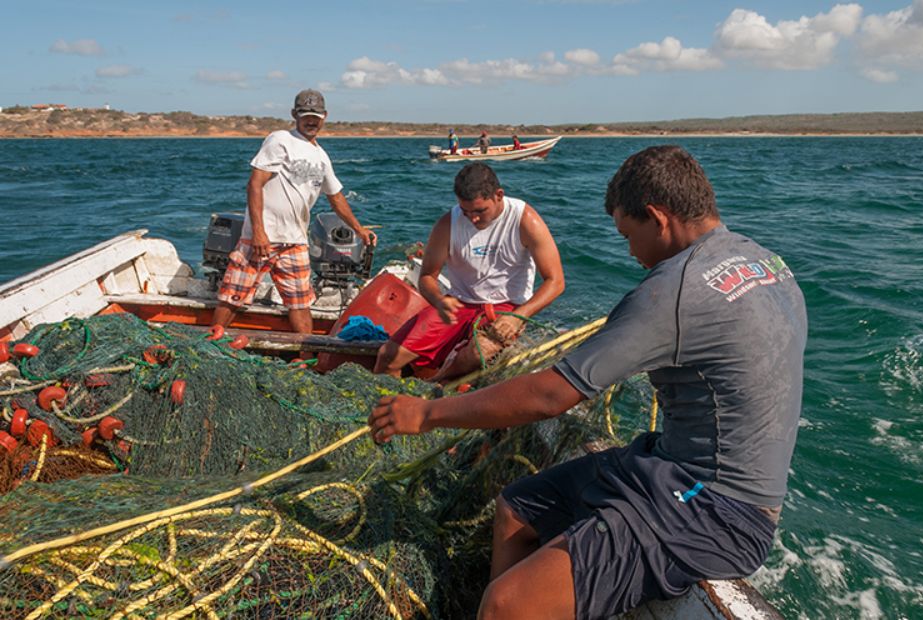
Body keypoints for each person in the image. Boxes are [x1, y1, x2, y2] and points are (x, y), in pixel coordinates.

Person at [369, 145, 807, 619]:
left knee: (504, 605)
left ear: (658, 218)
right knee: (515, 509)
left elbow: (550, 394)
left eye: (627, 234)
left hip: (716, 510)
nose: (630, 251)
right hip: (667, 465)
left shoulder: (672, 291)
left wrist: (426, 413)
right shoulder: (765, 262)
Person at [373, 162, 564, 380]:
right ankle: (384, 408)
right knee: (388, 356)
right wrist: (437, 300)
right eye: (465, 212)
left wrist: (519, 317)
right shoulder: (447, 225)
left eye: (480, 211)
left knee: (477, 352)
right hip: (459, 304)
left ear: (499, 195)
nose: (473, 219)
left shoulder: (525, 220)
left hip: (506, 306)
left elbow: (555, 281)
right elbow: (427, 276)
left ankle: (435, 386)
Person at [211, 89, 376, 337]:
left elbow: (336, 197)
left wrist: (359, 229)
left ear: (325, 116)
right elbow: (254, 184)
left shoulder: (321, 156)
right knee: (233, 297)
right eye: (305, 115)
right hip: (261, 238)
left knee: (300, 304)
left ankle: (305, 357)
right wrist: (258, 232)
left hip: (295, 241)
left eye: (316, 116)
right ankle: (211, 342)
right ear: (294, 115)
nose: (311, 121)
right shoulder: (279, 140)